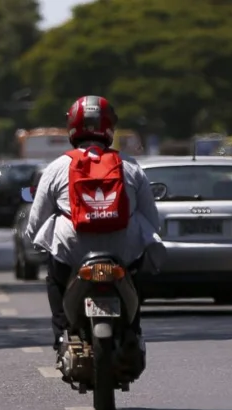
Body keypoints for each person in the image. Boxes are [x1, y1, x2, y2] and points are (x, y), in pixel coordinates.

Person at [24, 95, 164, 370]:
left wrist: (38, 243)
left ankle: (62, 336)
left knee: (54, 277)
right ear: (109, 127)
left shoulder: (56, 168)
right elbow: (152, 220)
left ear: (73, 127)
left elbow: (35, 222)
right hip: (123, 254)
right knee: (138, 274)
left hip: (72, 254)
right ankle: (133, 332)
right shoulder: (131, 166)